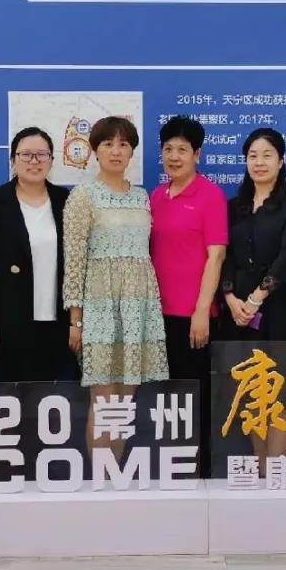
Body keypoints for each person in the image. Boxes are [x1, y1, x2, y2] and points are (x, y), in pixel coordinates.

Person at [0, 127, 81, 478]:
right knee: (4, 403)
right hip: (7, 321)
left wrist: (75, 321)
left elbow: (74, 265)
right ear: (13, 160)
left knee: (41, 407)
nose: (34, 161)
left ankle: (35, 478)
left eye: (41, 155)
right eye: (26, 155)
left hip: (52, 322)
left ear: (51, 160)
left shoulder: (64, 201)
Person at [63, 117, 168, 462]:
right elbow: (74, 260)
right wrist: (76, 320)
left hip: (138, 305)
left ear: (132, 152)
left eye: (123, 144)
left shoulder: (141, 197)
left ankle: (115, 478)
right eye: (108, 144)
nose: (116, 151)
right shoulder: (83, 196)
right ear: (95, 151)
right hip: (99, 306)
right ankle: (99, 481)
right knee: (104, 399)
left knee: (124, 401)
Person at [218, 127, 286, 469]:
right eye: (253, 156)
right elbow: (224, 255)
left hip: (280, 310)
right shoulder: (234, 207)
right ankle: (260, 472)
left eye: (267, 155)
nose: (259, 162)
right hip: (239, 314)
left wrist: (257, 298)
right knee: (253, 393)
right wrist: (230, 297)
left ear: (281, 161)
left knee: (281, 393)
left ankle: (277, 472)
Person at [149, 116, 227, 476]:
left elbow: (216, 256)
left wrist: (201, 310)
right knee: (168, 400)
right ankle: (173, 472)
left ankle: (200, 477)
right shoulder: (156, 197)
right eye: (168, 149)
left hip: (193, 317)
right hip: (157, 317)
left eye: (182, 149)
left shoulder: (210, 196)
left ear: (197, 154)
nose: (174, 156)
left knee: (196, 399)